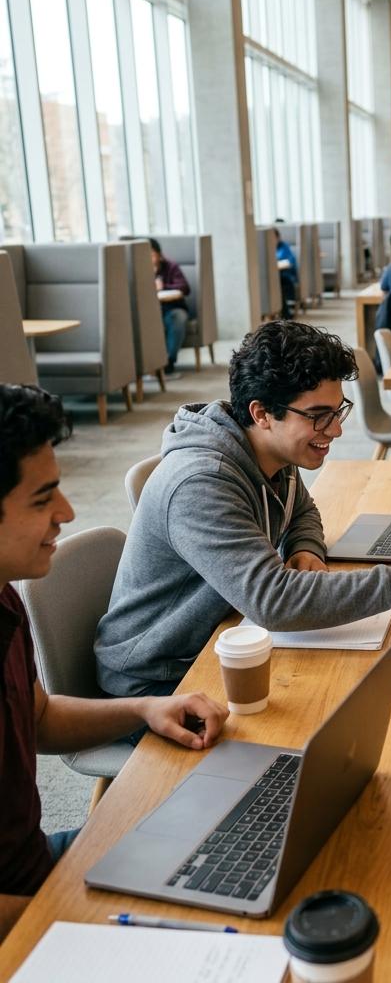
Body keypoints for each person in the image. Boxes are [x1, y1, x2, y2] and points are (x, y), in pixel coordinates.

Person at [95, 322, 391, 698]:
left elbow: (301, 510)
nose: (336, 430)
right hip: (161, 676)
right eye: (319, 417)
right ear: (261, 413)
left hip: (228, 635)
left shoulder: (268, 450)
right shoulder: (201, 482)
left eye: (337, 411)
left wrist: (305, 549)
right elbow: (273, 602)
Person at [0, 384, 227, 939]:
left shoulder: (4, 596)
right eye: (41, 499)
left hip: (38, 867)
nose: (67, 513)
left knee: (236, 844)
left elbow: (38, 717)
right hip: (23, 912)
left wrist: (146, 708)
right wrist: (73, 918)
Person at [150, 238, 191, 376]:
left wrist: (163, 287)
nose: (149, 259)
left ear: (159, 254)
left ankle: (169, 361)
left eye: (152, 255)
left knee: (176, 318)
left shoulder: (171, 267)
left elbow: (184, 287)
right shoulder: (138, 271)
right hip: (151, 312)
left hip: (172, 307)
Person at [273, 226, 299, 319]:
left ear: (278, 237)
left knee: (278, 282)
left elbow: (288, 262)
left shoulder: (284, 247)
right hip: (276, 276)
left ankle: (286, 313)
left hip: (287, 275)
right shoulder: (267, 248)